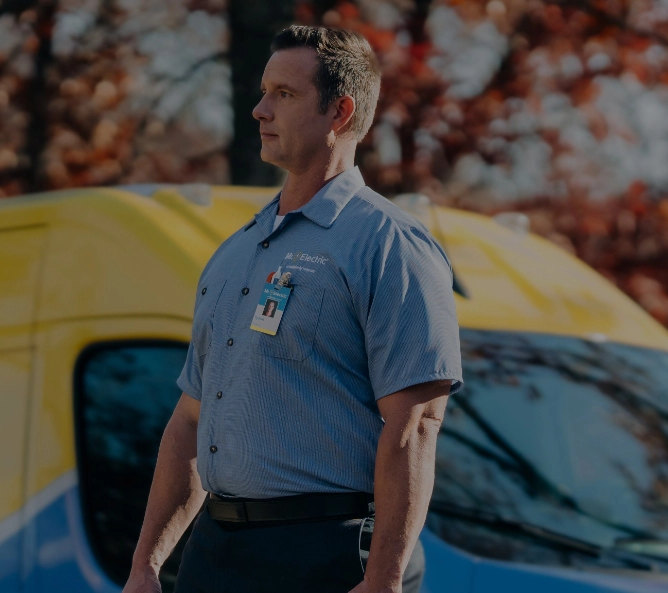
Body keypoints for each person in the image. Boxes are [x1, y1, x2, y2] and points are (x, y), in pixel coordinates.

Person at [120, 25, 462, 593]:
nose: (259, 110)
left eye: (284, 94)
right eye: (262, 92)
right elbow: (189, 419)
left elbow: (417, 423)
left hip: (324, 553)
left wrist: (383, 580)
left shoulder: (390, 245)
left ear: (340, 111)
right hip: (214, 553)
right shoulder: (234, 252)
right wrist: (146, 564)